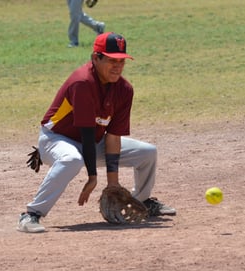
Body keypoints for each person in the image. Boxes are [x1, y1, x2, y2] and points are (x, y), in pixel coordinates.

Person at [17, 32, 176, 233]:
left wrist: (113, 184)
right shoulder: (82, 83)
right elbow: (87, 133)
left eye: (121, 61)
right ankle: (31, 214)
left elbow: (113, 136)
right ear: (95, 58)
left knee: (147, 153)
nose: (117, 66)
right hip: (57, 140)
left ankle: (142, 200)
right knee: (71, 160)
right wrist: (93, 178)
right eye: (111, 60)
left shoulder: (124, 90)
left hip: (94, 142)